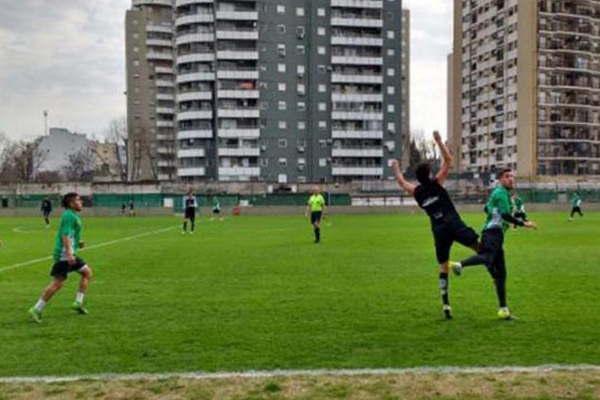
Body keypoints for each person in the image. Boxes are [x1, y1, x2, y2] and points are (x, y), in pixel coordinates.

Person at [391, 130, 480, 320]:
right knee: (481, 248)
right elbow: (448, 161)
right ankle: (483, 267)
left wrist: (396, 166)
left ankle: (446, 304)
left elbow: (400, 181)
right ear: (430, 174)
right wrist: (439, 142)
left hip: (439, 231)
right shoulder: (437, 183)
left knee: (442, 266)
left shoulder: (417, 192)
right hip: (454, 225)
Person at [450, 168, 537, 320]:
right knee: (487, 257)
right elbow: (504, 215)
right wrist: (524, 223)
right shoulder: (501, 193)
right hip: (493, 233)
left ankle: (503, 310)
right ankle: (459, 265)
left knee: (501, 275)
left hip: (494, 234)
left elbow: (486, 208)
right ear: (500, 179)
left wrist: (495, 211)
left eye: (512, 177)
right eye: (507, 176)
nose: (511, 179)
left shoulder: (498, 194)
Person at [28, 192, 93, 323]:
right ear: (71, 203)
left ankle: (78, 303)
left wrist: (77, 242)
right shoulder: (69, 215)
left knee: (86, 273)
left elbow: (71, 233)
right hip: (64, 254)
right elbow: (65, 235)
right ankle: (36, 309)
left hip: (68, 252)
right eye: (78, 200)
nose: (81, 202)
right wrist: (69, 253)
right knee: (58, 283)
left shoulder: (72, 215)